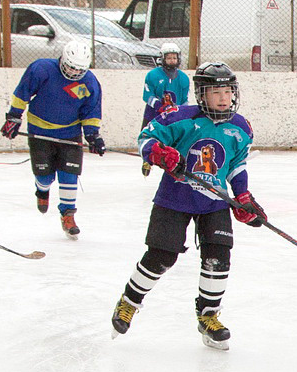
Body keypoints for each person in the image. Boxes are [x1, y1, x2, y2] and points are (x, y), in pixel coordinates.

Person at [110, 62, 259, 350]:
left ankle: (208, 316)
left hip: (214, 200)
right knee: (161, 256)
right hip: (174, 200)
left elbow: (236, 167)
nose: (224, 98)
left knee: (218, 256)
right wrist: (158, 153)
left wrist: (242, 197)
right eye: (216, 92)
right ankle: (129, 301)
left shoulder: (240, 128)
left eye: (228, 91)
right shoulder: (179, 117)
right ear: (202, 94)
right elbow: (146, 138)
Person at [0, 39, 105, 239]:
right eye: (71, 68)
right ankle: (42, 190)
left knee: (69, 175)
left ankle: (68, 213)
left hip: (69, 133)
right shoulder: (41, 69)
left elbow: (91, 110)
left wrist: (92, 135)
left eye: (79, 70)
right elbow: (23, 93)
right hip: (40, 131)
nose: (74, 73)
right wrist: (14, 116)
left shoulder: (90, 82)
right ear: (63, 60)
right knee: (45, 176)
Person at [140, 43, 191, 177]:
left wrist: (182, 112)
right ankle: (147, 161)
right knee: (148, 137)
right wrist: (159, 105)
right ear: (162, 59)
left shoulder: (184, 78)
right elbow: (147, 95)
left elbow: (184, 100)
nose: (172, 61)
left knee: (177, 140)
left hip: (172, 116)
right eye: (169, 58)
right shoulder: (152, 75)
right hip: (153, 114)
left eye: (174, 58)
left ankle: (177, 163)